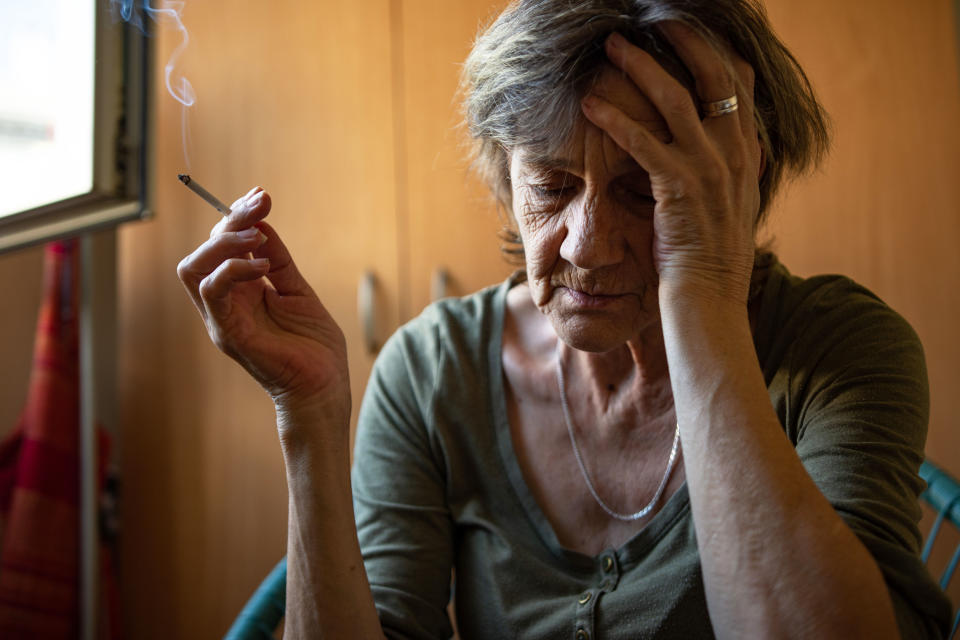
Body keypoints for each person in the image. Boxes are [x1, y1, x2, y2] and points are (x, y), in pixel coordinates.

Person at [176, 0, 952, 637]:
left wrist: (706, 290)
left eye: (646, 191)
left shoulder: (841, 352)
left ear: (738, 185)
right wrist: (309, 416)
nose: (586, 245)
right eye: (549, 185)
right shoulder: (432, 371)